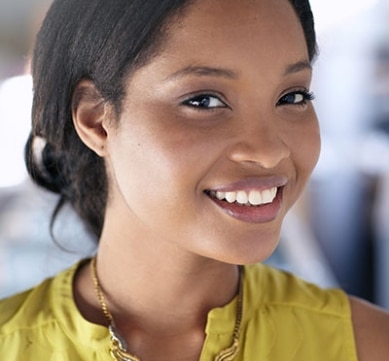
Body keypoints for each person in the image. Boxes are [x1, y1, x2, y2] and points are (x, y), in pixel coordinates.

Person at [0, 0, 388, 360]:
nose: (270, 151)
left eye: (292, 96)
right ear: (96, 119)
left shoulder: (367, 345)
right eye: (204, 100)